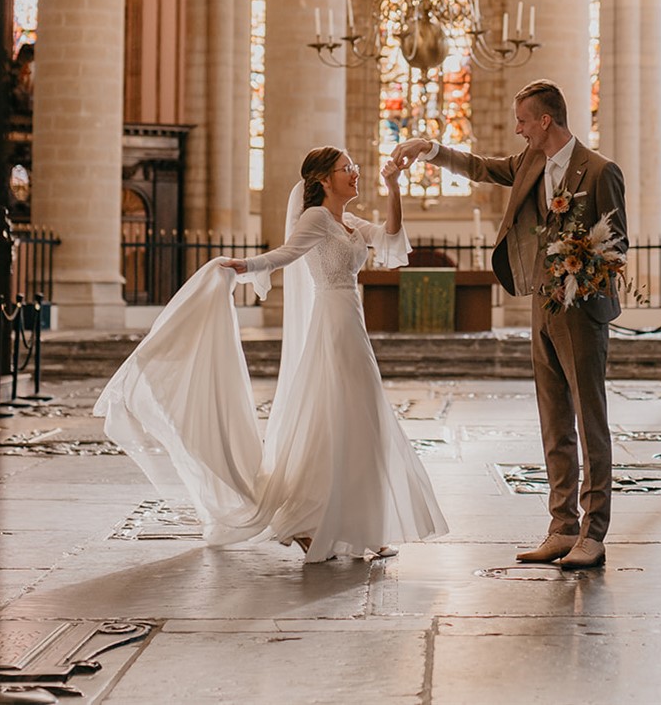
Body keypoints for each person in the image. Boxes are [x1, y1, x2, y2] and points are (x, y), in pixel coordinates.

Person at [94, 146, 447, 563]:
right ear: (323, 180)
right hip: (332, 325)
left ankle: (352, 524)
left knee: (357, 415)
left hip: (352, 322)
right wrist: (244, 265)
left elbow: (390, 239)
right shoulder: (315, 218)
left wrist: (393, 186)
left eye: (353, 167)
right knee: (344, 413)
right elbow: (286, 254)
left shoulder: (348, 222)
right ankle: (309, 520)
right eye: (345, 169)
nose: (355, 173)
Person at [392, 79, 626, 570]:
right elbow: (479, 167)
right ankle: (561, 527)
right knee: (553, 419)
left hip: (581, 312)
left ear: (545, 120)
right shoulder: (529, 164)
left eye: (523, 121)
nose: (518, 130)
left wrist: (577, 269)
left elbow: (616, 247)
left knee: (590, 420)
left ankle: (593, 532)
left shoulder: (600, 171)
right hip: (541, 304)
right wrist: (429, 149)